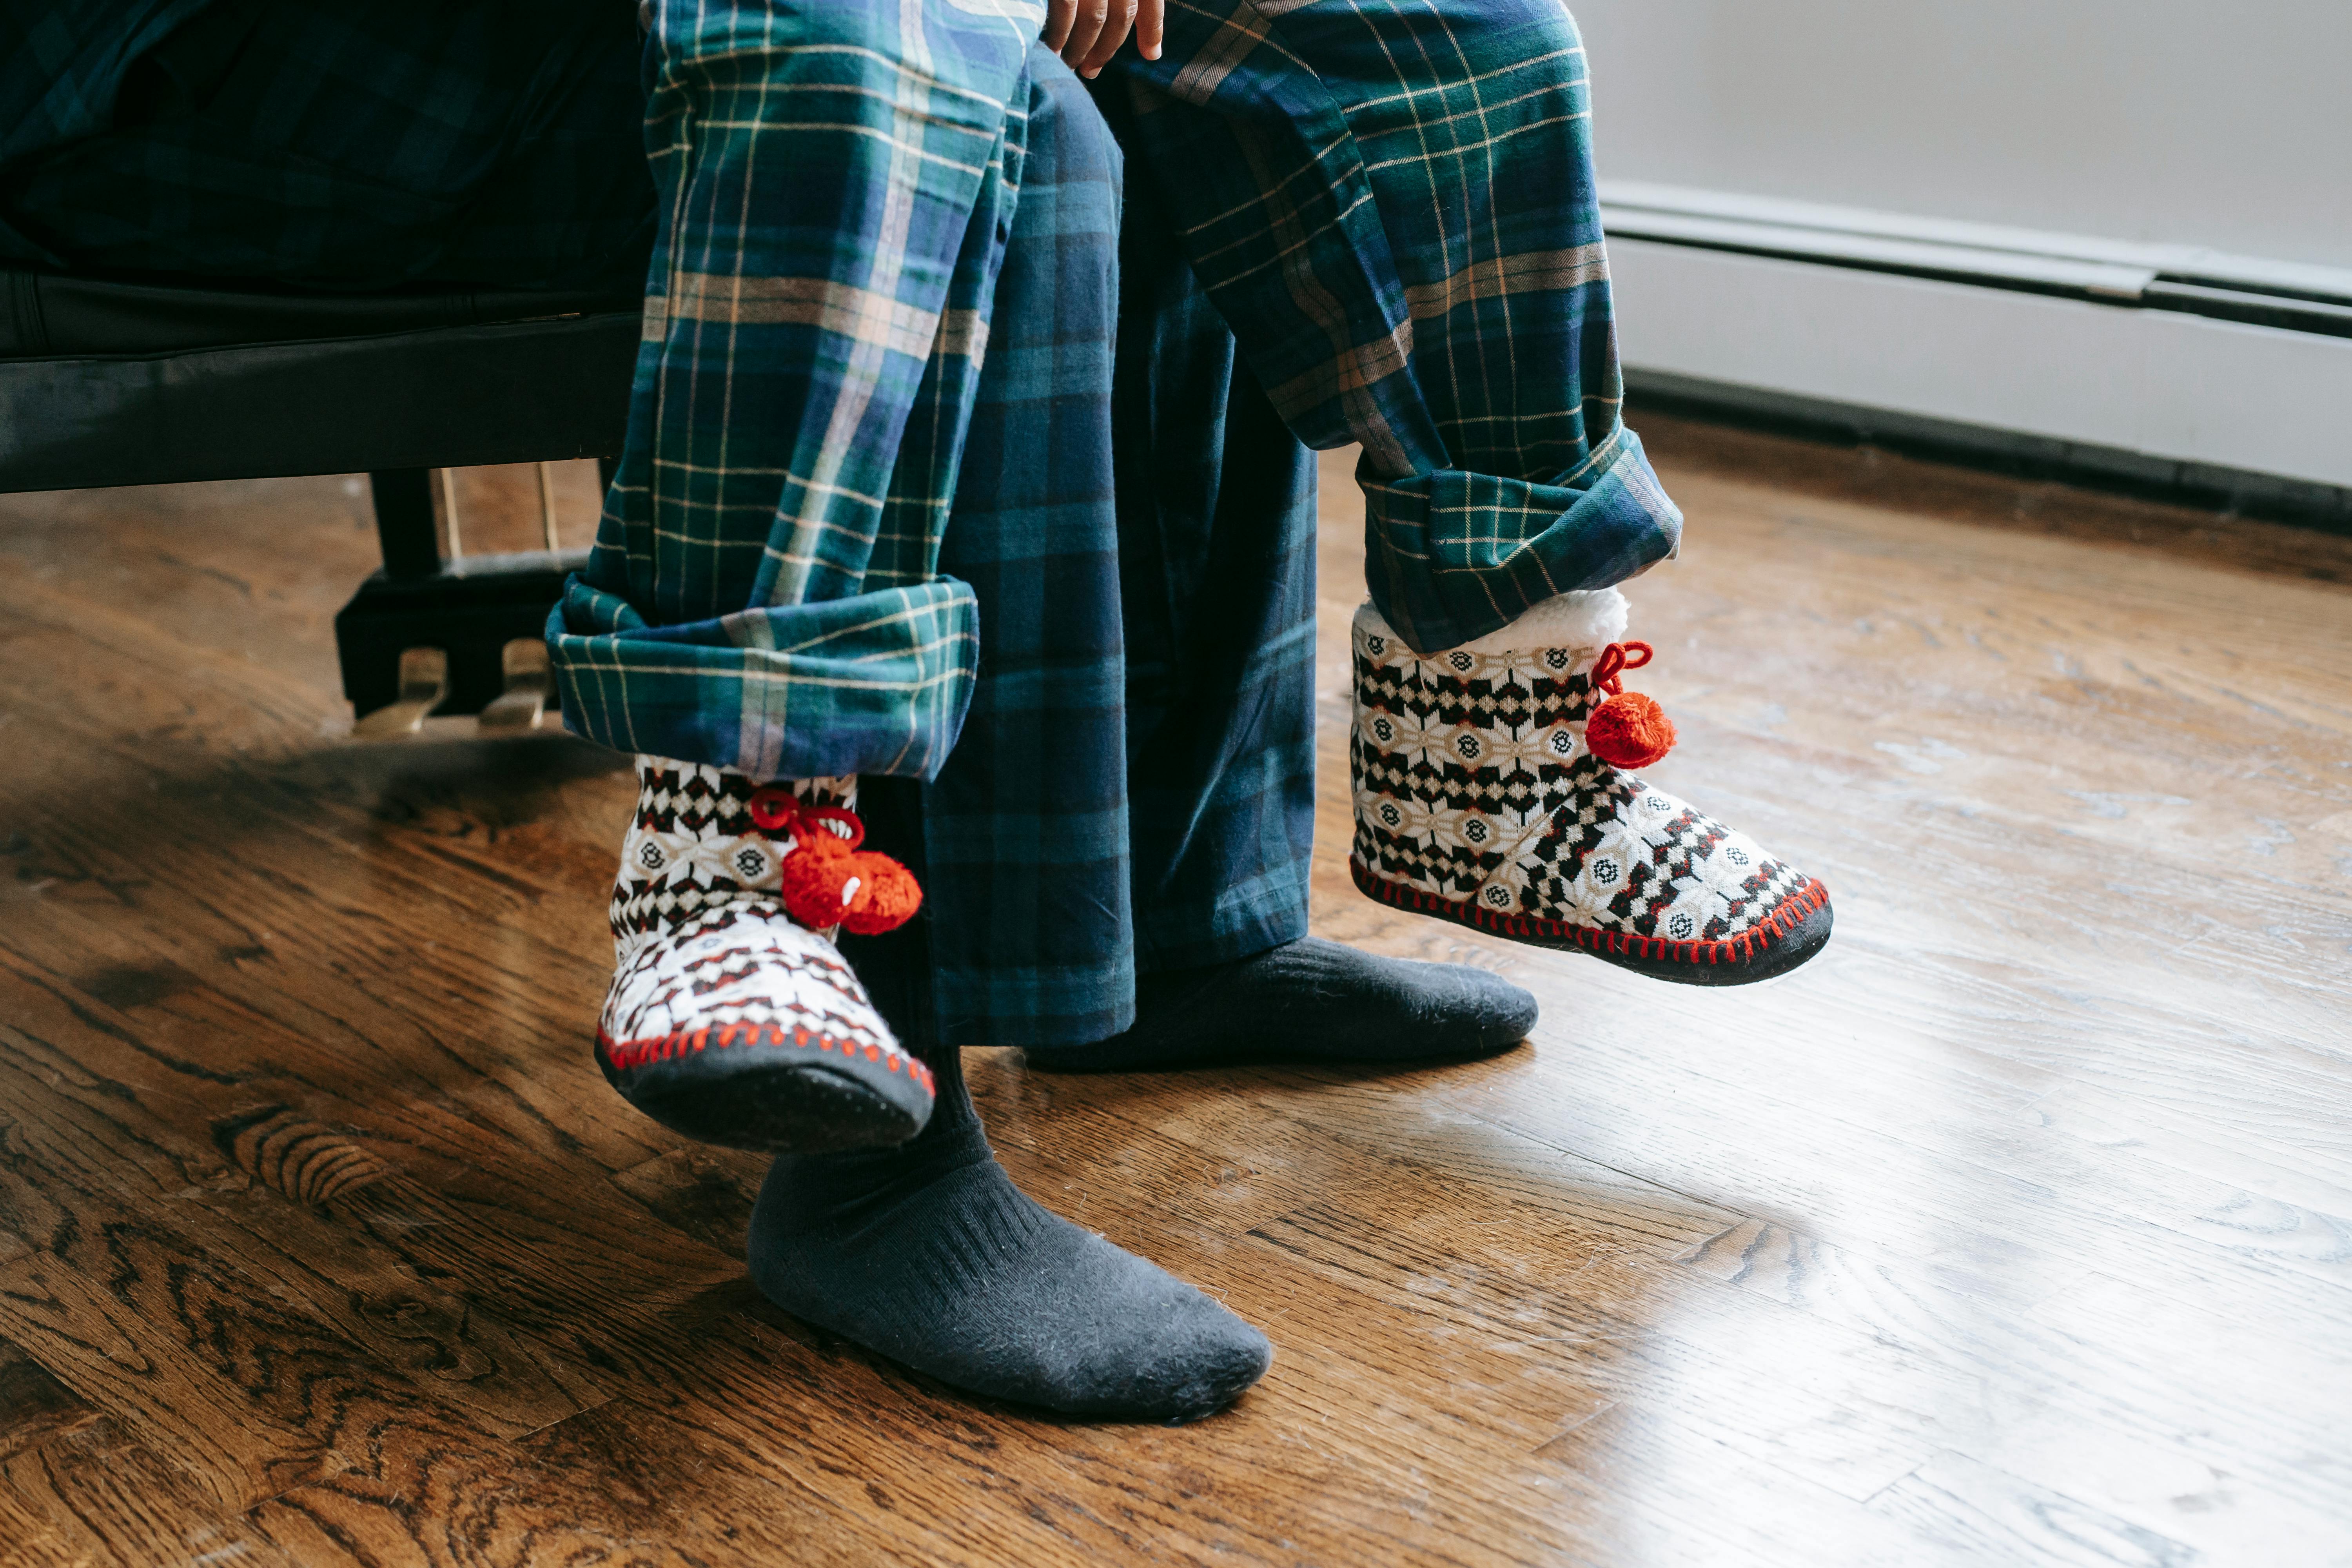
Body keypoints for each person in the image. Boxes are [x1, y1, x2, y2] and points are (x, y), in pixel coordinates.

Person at [4, 0, 1829, 1423]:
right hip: (221, 79)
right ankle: (821, 1021)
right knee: (976, 79)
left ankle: (1367, 821)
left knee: (1432, 41)